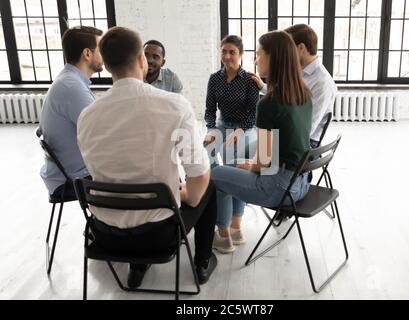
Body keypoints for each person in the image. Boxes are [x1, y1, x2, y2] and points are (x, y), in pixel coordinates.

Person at [77, 27, 217, 289]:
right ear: (142, 60)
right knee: (210, 185)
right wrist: (187, 195)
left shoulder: (87, 116)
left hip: (105, 234)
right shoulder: (175, 106)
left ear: (106, 66)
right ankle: (202, 261)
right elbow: (198, 174)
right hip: (158, 235)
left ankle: (137, 266)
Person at [211, 31, 312, 254]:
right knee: (234, 163)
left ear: (273, 58)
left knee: (215, 175)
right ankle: (235, 229)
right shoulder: (304, 94)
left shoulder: (269, 103)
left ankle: (223, 235)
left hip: (277, 187)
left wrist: (250, 165)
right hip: (301, 183)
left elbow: (263, 163)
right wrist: (248, 163)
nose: (255, 60)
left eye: (259, 54)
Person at [39, 26, 103, 197]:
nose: (104, 54)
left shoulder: (69, 80)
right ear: (87, 54)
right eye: (101, 49)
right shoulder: (71, 87)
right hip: (72, 179)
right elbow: (102, 134)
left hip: (64, 174)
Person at [249, 24, 337, 148]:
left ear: (301, 48)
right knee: (241, 144)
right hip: (287, 138)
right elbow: (285, 99)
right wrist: (263, 86)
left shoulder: (322, 83)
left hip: (304, 143)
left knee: (239, 149)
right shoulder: (298, 73)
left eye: (288, 46)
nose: (284, 51)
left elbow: (307, 129)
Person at [204, 35, 260, 167]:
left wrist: (240, 130)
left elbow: (253, 113)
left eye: (232, 52)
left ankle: (226, 180)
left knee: (233, 159)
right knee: (205, 152)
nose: (227, 56)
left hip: (244, 127)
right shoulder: (214, 78)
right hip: (222, 124)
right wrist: (211, 128)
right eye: (224, 51)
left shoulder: (249, 80)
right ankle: (214, 180)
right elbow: (210, 109)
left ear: (241, 54)